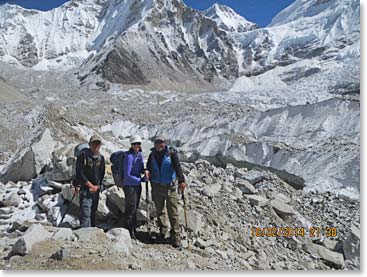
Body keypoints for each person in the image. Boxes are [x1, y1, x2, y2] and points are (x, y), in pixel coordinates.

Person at [146, 135, 186, 248]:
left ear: (165, 143)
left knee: (173, 211)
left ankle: (176, 234)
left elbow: (178, 167)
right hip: (156, 186)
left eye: (162, 142)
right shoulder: (152, 155)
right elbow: (148, 166)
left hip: (170, 186)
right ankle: (163, 231)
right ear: (155, 144)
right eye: (158, 142)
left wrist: (181, 180)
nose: (160, 144)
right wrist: (146, 171)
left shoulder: (171, 154)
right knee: (159, 210)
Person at [75, 135, 105, 228]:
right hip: (85, 188)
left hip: (95, 189)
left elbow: (102, 174)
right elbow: (79, 173)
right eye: (94, 143)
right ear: (89, 144)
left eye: (98, 143)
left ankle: (91, 233)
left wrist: (97, 186)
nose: (96, 145)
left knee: (93, 211)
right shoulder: (83, 156)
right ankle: (84, 233)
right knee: (85, 211)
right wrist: (89, 185)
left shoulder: (101, 158)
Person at [123, 135, 148, 239]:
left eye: (138, 144)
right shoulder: (129, 157)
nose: (137, 145)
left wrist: (145, 171)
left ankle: (132, 229)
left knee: (134, 207)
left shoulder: (139, 155)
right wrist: (140, 180)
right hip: (130, 186)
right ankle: (129, 230)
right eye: (134, 144)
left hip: (136, 185)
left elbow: (141, 168)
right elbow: (127, 174)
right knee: (131, 208)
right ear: (131, 145)